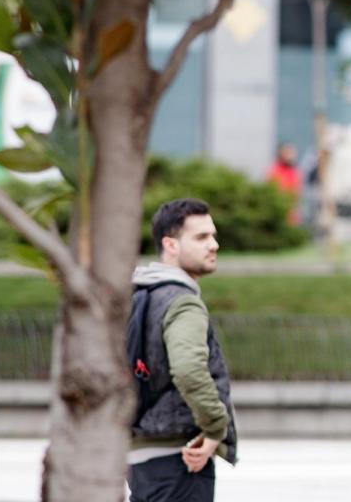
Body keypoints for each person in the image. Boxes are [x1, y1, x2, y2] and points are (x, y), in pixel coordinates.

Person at [128, 198, 237, 502]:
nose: (213, 245)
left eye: (213, 236)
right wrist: (215, 427)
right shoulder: (182, 302)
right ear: (171, 245)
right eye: (201, 237)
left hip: (140, 453)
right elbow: (189, 370)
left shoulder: (140, 295)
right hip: (180, 456)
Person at [267, 142, 302, 225]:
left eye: (291, 153)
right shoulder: (274, 170)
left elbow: (296, 193)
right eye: (287, 152)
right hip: (277, 211)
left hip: (291, 213)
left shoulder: (295, 172)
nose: (290, 155)